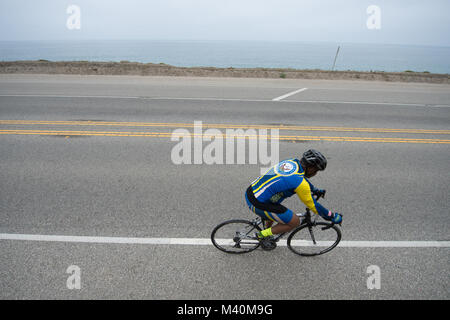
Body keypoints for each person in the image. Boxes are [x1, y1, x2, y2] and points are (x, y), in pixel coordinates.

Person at [245, 149, 342, 243]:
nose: (315, 173)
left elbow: (301, 178)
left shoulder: (291, 162)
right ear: (310, 167)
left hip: (252, 191)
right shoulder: (300, 183)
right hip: (257, 203)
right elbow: (313, 205)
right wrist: (331, 216)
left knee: (276, 210)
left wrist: (314, 190)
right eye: (316, 170)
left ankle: (267, 232)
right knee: (294, 222)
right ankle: (261, 235)